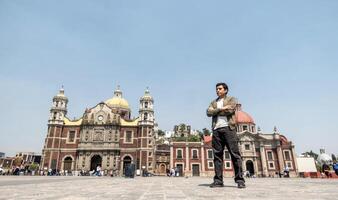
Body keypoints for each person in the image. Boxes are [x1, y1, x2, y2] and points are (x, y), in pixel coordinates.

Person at [207, 82, 245, 188]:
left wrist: (216, 111)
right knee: (217, 156)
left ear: (226, 90)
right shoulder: (213, 102)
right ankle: (218, 181)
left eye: (220, 89)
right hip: (216, 130)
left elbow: (231, 110)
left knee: (235, 154)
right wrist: (221, 109)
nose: (217, 90)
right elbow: (208, 113)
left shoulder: (232, 100)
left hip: (229, 129)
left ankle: (240, 180)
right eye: (216, 89)